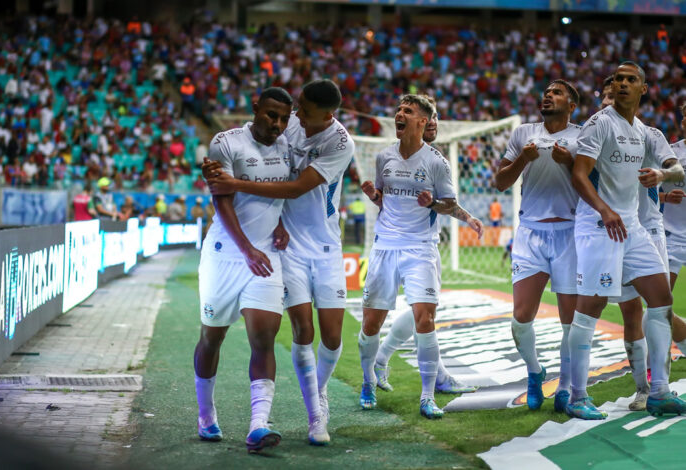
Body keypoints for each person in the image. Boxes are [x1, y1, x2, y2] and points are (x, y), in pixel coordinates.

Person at [203, 79, 354, 445]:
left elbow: (293, 188)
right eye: (291, 109)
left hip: (315, 248)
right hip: (264, 250)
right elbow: (231, 186)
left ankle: (302, 405)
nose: (293, 117)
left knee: (316, 336)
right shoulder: (270, 130)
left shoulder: (339, 142)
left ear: (327, 115)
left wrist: (235, 183)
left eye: (301, 111)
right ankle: (310, 417)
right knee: (280, 333)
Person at [569, 62, 685, 420]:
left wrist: (662, 174)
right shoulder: (600, 122)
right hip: (598, 226)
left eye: (630, 79)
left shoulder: (645, 132)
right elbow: (579, 173)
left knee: (661, 300)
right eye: (617, 79)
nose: (622, 83)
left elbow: (677, 168)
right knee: (591, 306)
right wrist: (604, 210)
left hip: (633, 226)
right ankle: (576, 396)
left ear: (643, 89)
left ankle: (658, 392)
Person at [358, 94, 473, 419]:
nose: (399, 114)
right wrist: (375, 196)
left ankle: (427, 396)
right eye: (398, 109)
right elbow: (386, 199)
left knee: (426, 318)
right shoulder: (383, 157)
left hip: (420, 248)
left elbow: (449, 204)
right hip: (384, 248)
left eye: (407, 111)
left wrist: (432, 203)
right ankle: (368, 380)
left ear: (423, 121)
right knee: (371, 323)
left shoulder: (437, 162)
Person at [193, 87, 292, 452]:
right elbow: (222, 200)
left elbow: (282, 192)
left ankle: (258, 425)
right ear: (255, 108)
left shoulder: (286, 147)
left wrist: (278, 225)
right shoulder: (226, 142)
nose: (277, 125)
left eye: (283, 119)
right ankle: (206, 416)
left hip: (265, 256)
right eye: (271, 115)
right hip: (224, 254)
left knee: (264, 339)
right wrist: (246, 248)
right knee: (211, 338)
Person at [492, 80, 582, 412]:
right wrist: (522, 161)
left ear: (572, 105)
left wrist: (569, 163)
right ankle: (534, 372)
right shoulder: (523, 133)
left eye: (557, 92)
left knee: (569, 322)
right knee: (520, 317)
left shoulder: (581, 136)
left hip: (570, 233)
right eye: (546, 91)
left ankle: (566, 384)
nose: (548, 95)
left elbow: (593, 180)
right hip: (530, 232)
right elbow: (501, 182)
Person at [663, 105, 686, 357]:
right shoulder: (671, 153)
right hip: (672, 238)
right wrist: (664, 196)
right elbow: (646, 190)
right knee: (658, 306)